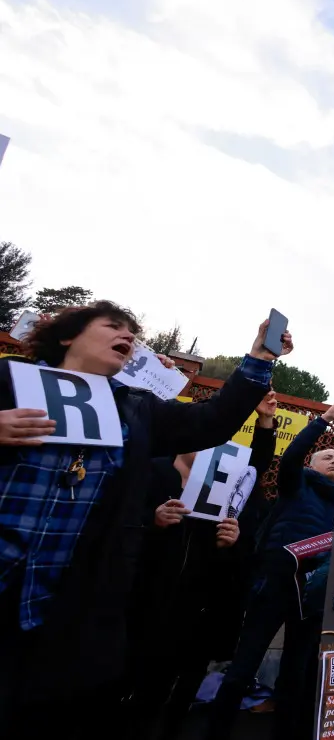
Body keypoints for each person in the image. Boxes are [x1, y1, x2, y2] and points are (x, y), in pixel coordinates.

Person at [0, 303, 284, 734]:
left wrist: (259, 359)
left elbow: (210, 422)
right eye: (113, 326)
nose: (128, 336)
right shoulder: (9, 382)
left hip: (71, 610)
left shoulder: (138, 409)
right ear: (66, 337)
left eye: (132, 332)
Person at [123, 390, 280, 740]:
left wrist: (231, 540)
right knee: (141, 677)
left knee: (188, 675)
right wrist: (154, 520)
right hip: (148, 597)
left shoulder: (221, 487)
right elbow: (120, 522)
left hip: (201, 604)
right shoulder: (153, 470)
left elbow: (257, 468)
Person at [207, 397, 334, 740]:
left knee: (295, 672)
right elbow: (290, 457)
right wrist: (323, 422)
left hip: (312, 594)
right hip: (273, 586)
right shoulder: (296, 483)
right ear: (312, 463)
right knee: (243, 667)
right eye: (327, 457)